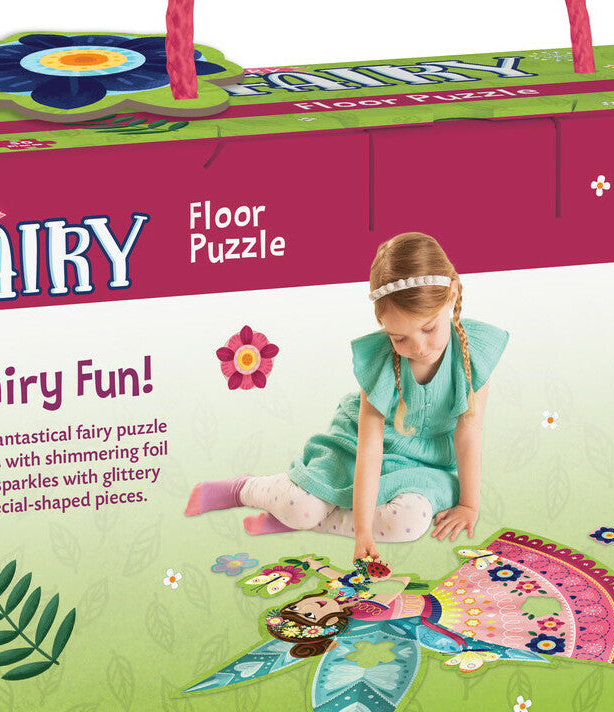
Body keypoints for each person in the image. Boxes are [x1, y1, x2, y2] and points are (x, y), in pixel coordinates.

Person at [186, 232, 508, 563]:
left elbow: (468, 434)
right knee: (301, 507)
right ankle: (244, 489)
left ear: (451, 295)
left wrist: (469, 504)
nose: (418, 347)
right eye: (400, 338)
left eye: (428, 329)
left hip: (426, 464)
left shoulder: (473, 355)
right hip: (356, 448)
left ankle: (299, 518)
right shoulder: (382, 363)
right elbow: (369, 450)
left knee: (409, 522)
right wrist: (363, 532)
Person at [257, 541, 614, 705]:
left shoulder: (344, 598)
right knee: (569, 630)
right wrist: (363, 585)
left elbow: (343, 580)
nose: (314, 605)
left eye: (305, 605)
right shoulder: (360, 612)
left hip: (458, 597)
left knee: (569, 605)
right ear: (324, 625)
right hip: (461, 616)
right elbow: (395, 588)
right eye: (313, 616)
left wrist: (313, 567)